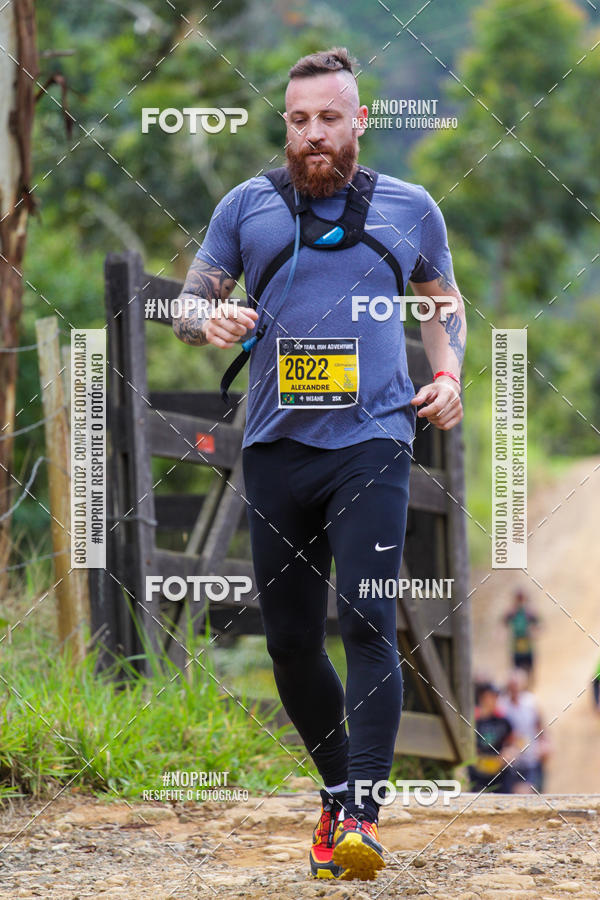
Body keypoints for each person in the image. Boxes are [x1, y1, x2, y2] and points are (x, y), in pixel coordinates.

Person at [172, 47, 466, 882]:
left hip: (373, 443)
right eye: (298, 121)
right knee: (292, 643)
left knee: (366, 621)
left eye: (328, 119)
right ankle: (335, 796)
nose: (312, 136)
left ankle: (364, 819)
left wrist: (446, 376)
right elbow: (187, 304)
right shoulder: (248, 207)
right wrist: (210, 321)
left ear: (359, 122)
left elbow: (444, 304)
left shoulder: (410, 208)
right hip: (275, 447)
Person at [499, 669, 550, 793]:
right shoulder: (502, 705)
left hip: (531, 756)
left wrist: (545, 743)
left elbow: (539, 725)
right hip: (511, 760)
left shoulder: (531, 702)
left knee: (531, 791)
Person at [468, 682, 516, 794]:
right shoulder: (473, 720)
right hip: (477, 772)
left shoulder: (503, 720)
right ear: (482, 698)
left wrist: (508, 753)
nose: (495, 700)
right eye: (492, 697)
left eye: (496, 697)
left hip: (499, 772)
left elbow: (513, 742)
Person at [502, 589, 540, 678]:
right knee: (516, 672)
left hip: (528, 647)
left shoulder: (530, 613)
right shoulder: (512, 612)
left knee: (530, 672)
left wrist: (533, 632)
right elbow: (503, 624)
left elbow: (539, 627)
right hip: (516, 648)